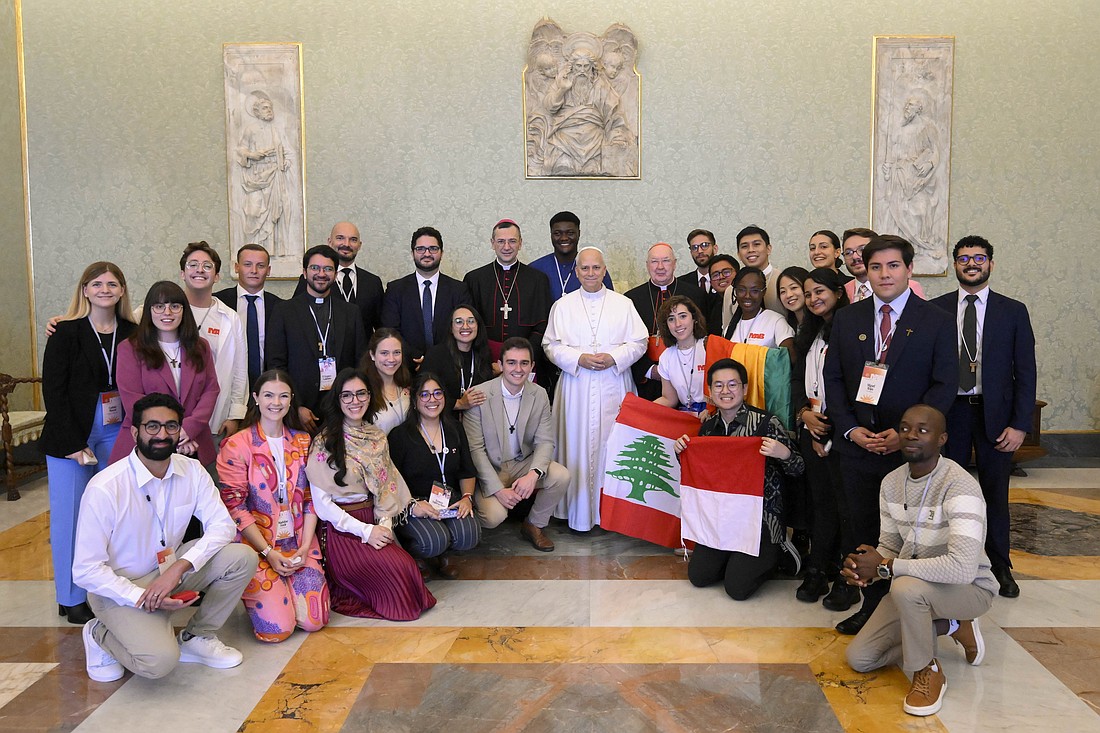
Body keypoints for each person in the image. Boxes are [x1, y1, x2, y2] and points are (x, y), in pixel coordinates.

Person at [823, 235, 957, 636]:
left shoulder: (934, 319)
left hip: (911, 454)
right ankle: (873, 608)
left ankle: (920, 609)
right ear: (865, 270)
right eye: (876, 267)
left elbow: (944, 384)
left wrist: (907, 436)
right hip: (859, 447)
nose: (885, 274)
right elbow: (833, 379)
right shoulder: (849, 318)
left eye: (893, 266)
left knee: (913, 532)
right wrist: (849, 429)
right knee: (863, 528)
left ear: (909, 269)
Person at [74, 393, 257, 682]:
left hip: (169, 572)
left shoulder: (192, 470)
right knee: (158, 664)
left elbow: (223, 525)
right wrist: (141, 597)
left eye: (171, 426)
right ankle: (98, 633)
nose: (162, 434)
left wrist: (177, 569)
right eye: (152, 427)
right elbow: (85, 571)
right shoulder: (105, 488)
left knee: (241, 557)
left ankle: (197, 637)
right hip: (119, 589)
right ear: (135, 432)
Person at [843, 404, 996, 718]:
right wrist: (866, 569)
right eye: (904, 427)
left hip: (969, 588)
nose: (910, 435)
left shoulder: (960, 485)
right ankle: (951, 625)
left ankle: (928, 671)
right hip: (914, 587)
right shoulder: (892, 483)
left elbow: (963, 567)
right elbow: (891, 545)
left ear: (942, 439)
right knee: (861, 658)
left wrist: (887, 566)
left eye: (922, 430)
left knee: (905, 589)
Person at [932, 235, 1036, 598]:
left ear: (991, 263)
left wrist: (1021, 423)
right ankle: (950, 560)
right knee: (948, 492)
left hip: (996, 417)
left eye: (979, 258)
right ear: (955, 265)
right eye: (963, 258)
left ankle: (999, 564)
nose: (971, 264)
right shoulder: (937, 308)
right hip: (950, 415)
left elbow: (1025, 371)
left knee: (995, 492)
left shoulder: (1013, 311)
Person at [40, 262, 138, 625]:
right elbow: (55, 390)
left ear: (123, 290)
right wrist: (70, 443)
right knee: (71, 516)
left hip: (118, 429)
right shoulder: (65, 332)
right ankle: (70, 596)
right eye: (96, 284)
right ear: (84, 290)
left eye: (113, 283)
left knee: (113, 515)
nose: (104, 289)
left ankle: (109, 589)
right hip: (73, 433)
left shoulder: (133, 331)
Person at [305, 368, 436, 620]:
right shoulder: (325, 442)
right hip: (342, 529)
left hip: (374, 519)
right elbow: (323, 507)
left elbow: (386, 488)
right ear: (338, 399)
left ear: (369, 396)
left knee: (406, 568)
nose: (355, 401)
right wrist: (366, 532)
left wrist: (384, 527)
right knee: (398, 570)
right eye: (347, 395)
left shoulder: (376, 437)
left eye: (361, 393)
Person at [674, 359, 804, 600]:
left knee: (737, 588)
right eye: (719, 386)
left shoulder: (766, 423)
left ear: (744, 389)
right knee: (700, 576)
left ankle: (778, 549)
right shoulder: (708, 428)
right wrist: (681, 451)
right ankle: (734, 554)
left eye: (732, 384)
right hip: (723, 519)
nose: (726, 391)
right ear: (710, 392)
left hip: (761, 520)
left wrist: (783, 453)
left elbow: (798, 468)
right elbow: (701, 477)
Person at [217, 370, 328, 642]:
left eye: (283, 396)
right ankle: (266, 596)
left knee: (314, 621)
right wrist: (267, 552)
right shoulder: (237, 445)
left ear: (291, 400)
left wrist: (304, 547)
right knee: (277, 630)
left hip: (298, 542)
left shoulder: (303, 442)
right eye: (268, 395)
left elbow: (311, 499)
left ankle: (283, 591)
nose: (275, 402)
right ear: (255, 398)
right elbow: (235, 507)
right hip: (257, 545)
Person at [544, 247, 647, 532]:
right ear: (576, 272)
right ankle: (575, 513)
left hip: (613, 384)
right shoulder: (562, 306)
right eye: (585, 268)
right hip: (576, 386)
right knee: (575, 447)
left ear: (604, 270)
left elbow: (640, 342)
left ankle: (611, 514)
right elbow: (550, 345)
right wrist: (579, 359)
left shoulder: (623, 304)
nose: (590, 273)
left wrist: (614, 358)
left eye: (596, 268)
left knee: (612, 447)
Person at [463, 337, 570, 550]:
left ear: (532, 366)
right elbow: (475, 450)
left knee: (561, 476)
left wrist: (533, 475)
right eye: (511, 362)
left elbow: (545, 441)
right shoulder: (479, 395)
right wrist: (497, 490)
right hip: (492, 467)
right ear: (500, 365)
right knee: (493, 517)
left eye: (524, 363)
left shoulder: (539, 394)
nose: (518, 369)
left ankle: (533, 525)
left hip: (522, 463)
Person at [791, 268, 857, 610]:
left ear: (838, 291)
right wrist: (804, 415)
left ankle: (849, 579)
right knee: (819, 505)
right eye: (808, 294)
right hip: (810, 426)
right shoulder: (810, 332)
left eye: (820, 292)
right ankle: (817, 569)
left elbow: (853, 386)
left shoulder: (851, 328)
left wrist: (828, 430)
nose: (814, 299)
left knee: (846, 507)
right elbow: (797, 381)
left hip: (841, 432)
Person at [110, 281, 220, 465]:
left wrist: (188, 429)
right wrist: (171, 433)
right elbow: (133, 399)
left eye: (174, 306)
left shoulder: (201, 347)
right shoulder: (130, 348)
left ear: (184, 311)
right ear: (149, 311)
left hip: (193, 441)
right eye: (159, 306)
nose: (167, 313)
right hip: (146, 441)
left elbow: (211, 390)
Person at [387, 372, 481, 579]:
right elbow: (391, 482)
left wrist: (467, 498)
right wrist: (412, 506)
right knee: (433, 541)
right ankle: (416, 555)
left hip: (449, 499)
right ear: (414, 400)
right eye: (425, 395)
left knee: (470, 535)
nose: (432, 400)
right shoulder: (400, 435)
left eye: (438, 393)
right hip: (413, 504)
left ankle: (442, 553)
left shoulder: (454, 428)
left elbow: (467, 470)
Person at [267, 244, 367, 432]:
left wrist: (351, 403)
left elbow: (359, 363)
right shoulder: (284, 311)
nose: (321, 274)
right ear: (304, 272)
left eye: (328, 269)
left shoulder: (350, 312)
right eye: (315, 268)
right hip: (299, 411)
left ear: (336, 274)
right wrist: (294, 406)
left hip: (342, 409)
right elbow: (276, 365)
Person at [462, 219, 553, 381]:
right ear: (492, 243)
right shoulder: (474, 279)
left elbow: (543, 324)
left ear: (520, 243)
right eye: (501, 241)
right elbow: (469, 326)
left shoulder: (538, 280)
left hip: (525, 360)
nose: (506, 247)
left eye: (512, 241)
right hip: (486, 361)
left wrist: (524, 358)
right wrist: (486, 360)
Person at [178, 241, 248, 444]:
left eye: (207, 266)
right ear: (182, 273)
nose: (200, 270)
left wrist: (235, 415)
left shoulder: (229, 317)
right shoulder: (166, 311)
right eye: (192, 265)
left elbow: (239, 370)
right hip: (175, 421)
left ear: (216, 276)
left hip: (217, 419)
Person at [541, 34, 636, 176]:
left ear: (592, 67)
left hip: (595, 138)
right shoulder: (562, 80)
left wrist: (617, 135)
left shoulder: (601, 85)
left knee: (595, 167)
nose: (582, 70)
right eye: (578, 66)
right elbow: (549, 106)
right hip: (565, 137)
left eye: (586, 66)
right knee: (562, 165)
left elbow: (614, 113)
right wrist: (562, 89)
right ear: (572, 67)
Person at [625, 242, 708, 400]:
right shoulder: (631, 299)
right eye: (654, 261)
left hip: (688, 376)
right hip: (647, 380)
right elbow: (626, 342)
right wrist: (650, 370)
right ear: (647, 265)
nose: (660, 267)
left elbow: (703, 335)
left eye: (666, 260)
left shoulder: (696, 294)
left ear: (675, 263)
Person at [381, 226, 471, 362]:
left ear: (442, 253)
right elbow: (391, 331)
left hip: (449, 363)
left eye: (433, 249)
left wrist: (436, 359)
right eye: (420, 249)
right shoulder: (396, 289)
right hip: (407, 365)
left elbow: (464, 329)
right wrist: (415, 356)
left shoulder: (459, 289)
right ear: (412, 253)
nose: (427, 253)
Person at [293, 222, 385, 340]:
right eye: (340, 238)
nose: (346, 244)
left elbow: (381, 327)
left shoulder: (373, 282)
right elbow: (297, 319)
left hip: (362, 355)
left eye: (353, 240)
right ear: (330, 242)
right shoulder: (312, 279)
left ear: (359, 245)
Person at [653, 296, 734, 420]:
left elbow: (730, 387)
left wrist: (712, 409)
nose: (678, 324)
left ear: (694, 318)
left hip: (717, 415)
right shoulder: (666, 357)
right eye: (671, 319)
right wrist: (639, 408)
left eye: (683, 316)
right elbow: (669, 399)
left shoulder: (710, 346)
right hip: (686, 419)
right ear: (666, 325)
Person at [214, 243, 284, 388]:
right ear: (236, 267)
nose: (254, 271)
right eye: (247, 264)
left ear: (268, 270)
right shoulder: (217, 303)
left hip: (268, 387)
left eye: (260, 265)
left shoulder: (281, 307)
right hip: (226, 385)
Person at [235, 91, 293, 257]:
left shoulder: (276, 130)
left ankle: (271, 252)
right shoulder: (250, 129)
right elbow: (240, 149)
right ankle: (252, 253)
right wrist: (253, 155)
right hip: (257, 176)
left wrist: (285, 163)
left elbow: (287, 151)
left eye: (270, 108)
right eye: (265, 108)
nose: (269, 110)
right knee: (254, 212)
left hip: (275, 175)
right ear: (257, 111)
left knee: (276, 214)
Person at [420, 305, 495, 416]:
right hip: (441, 419)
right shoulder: (436, 354)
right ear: (451, 327)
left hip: (476, 419)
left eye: (471, 321)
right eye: (459, 322)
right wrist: (459, 403)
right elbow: (422, 394)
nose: (465, 326)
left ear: (478, 326)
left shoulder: (483, 354)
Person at [529, 211, 614, 301]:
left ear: (579, 234)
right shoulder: (535, 269)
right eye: (557, 234)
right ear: (551, 235)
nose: (564, 238)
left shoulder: (594, 270)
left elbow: (609, 301)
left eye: (570, 233)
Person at [715, 267, 795, 361]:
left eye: (755, 291)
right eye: (742, 290)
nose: (747, 296)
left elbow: (789, 357)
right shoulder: (730, 328)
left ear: (764, 292)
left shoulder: (776, 321)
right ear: (735, 292)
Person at [842, 228, 925, 303]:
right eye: (848, 252)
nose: (855, 256)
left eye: (862, 249)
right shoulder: (844, 289)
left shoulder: (909, 287)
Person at [362, 328, 413, 434]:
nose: (391, 359)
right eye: (384, 353)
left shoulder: (407, 386)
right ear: (372, 355)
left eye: (397, 352)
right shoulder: (363, 391)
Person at [734, 225, 783, 313]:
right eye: (745, 246)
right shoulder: (732, 288)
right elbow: (728, 325)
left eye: (756, 244)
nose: (751, 250)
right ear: (738, 254)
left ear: (768, 249)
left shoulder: (782, 280)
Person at [677, 228, 718, 293]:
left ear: (715, 249)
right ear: (691, 252)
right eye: (694, 247)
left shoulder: (725, 279)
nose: (700, 251)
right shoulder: (680, 283)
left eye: (704, 245)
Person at [777, 266, 811, 335]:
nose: (788, 295)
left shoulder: (822, 326)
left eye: (793, 288)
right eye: (783, 291)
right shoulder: (786, 327)